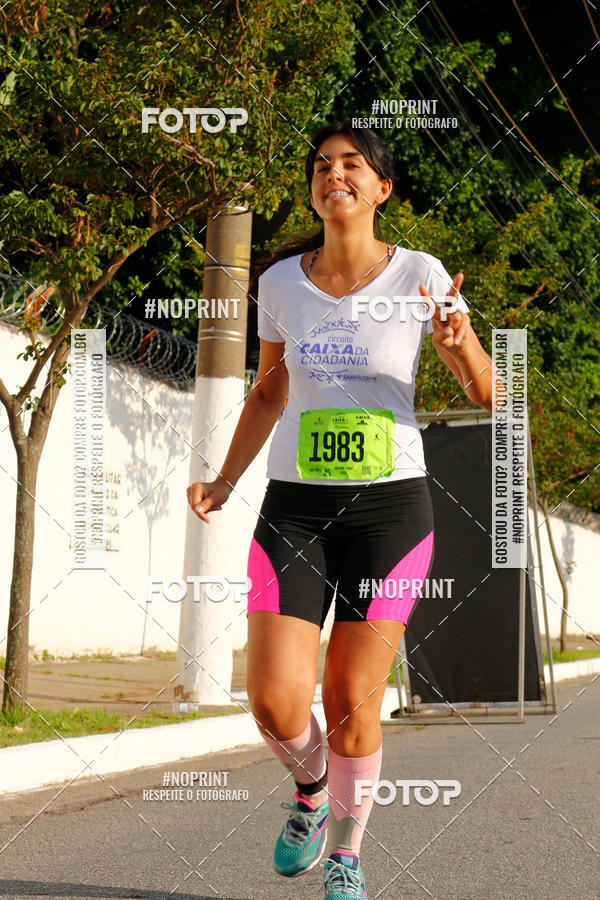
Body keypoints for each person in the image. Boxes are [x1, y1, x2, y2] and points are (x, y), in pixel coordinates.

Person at [187, 120, 494, 899]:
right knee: (272, 699)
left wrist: (458, 342)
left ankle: (349, 857)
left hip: (391, 514)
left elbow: (488, 394)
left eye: (353, 164)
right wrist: (223, 481)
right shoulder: (281, 282)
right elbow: (267, 391)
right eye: (322, 165)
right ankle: (313, 793)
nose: (335, 175)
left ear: (382, 189)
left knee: (349, 696)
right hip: (294, 510)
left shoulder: (422, 273)